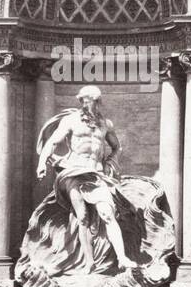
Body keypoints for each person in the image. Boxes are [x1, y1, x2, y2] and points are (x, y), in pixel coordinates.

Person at [36, 85, 134, 273]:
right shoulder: (70, 121)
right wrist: (42, 163)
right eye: (90, 101)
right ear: (82, 101)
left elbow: (117, 147)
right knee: (82, 218)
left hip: (96, 174)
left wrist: (110, 163)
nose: (94, 105)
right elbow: (53, 142)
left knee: (107, 213)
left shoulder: (106, 124)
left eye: (97, 101)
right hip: (74, 172)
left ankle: (122, 258)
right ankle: (89, 261)